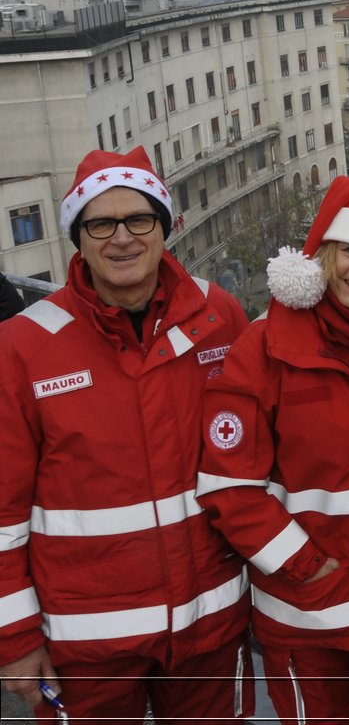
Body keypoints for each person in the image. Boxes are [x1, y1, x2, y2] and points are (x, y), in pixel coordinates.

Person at [0, 147, 253, 722]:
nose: (122, 238)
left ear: (164, 228)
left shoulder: (221, 317)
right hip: (85, 648)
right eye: (100, 224)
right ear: (78, 238)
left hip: (210, 628)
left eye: (139, 220)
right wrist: (14, 639)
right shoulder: (22, 347)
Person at [197, 173, 349, 722]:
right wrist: (304, 565)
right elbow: (229, 486)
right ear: (321, 252)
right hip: (305, 611)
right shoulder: (266, 346)